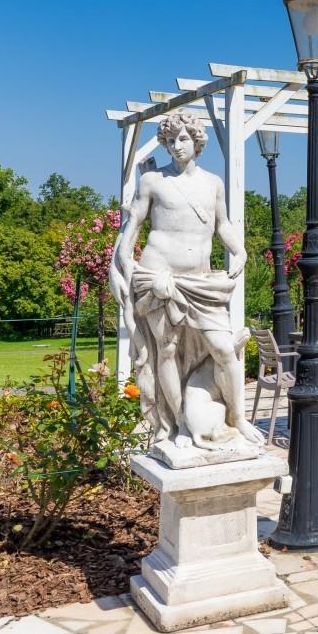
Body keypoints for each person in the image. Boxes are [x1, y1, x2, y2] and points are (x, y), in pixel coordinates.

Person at [110, 112, 264, 449]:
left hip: (201, 282)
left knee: (224, 348)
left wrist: (239, 251)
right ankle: (179, 423)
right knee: (166, 351)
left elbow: (222, 224)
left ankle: (238, 417)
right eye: (170, 141)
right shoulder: (152, 181)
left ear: (196, 140)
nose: (176, 146)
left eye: (183, 139)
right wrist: (124, 264)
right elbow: (132, 226)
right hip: (159, 276)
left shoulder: (213, 183)